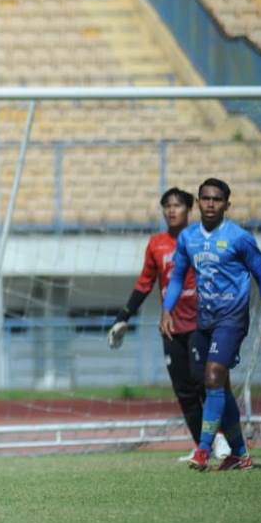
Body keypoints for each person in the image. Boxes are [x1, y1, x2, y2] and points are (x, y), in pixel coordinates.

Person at [160, 178, 261, 471]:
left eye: (216, 199)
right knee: (217, 386)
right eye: (205, 198)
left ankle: (202, 450)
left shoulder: (239, 238)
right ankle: (240, 453)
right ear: (198, 202)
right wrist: (167, 309)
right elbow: (177, 277)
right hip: (205, 321)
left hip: (232, 319)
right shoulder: (189, 238)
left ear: (227, 204)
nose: (210, 204)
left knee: (213, 376)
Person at [107, 188, 230, 460]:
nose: (172, 210)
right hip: (171, 326)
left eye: (177, 205)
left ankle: (220, 437)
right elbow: (145, 283)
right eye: (167, 206)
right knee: (184, 391)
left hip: (201, 322)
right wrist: (122, 318)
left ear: (190, 210)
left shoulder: (203, 238)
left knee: (204, 382)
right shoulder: (156, 244)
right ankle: (202, 448)